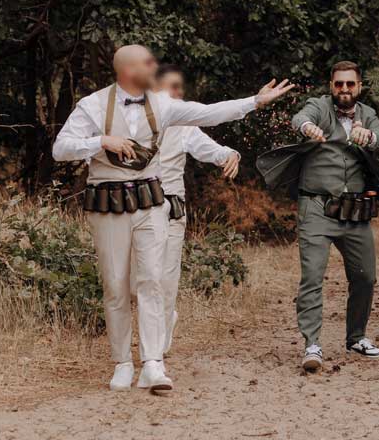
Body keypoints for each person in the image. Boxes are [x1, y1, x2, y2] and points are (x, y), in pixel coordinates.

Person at [52, 45, 293, 392]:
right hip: (108, 204)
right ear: (128, 70)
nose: (155, 66)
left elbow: (208, 113)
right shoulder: (91, 106)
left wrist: (254, 102)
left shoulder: (162, 105)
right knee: (116, 285)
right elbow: (60, 148)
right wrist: (101, 141)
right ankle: (122, 362)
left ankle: (153, 362)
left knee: (153, 280)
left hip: (152, 202)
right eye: (148, 62)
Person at [288, 61, 379, 370]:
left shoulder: (367, 114)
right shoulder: (319, 106)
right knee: (313, 277)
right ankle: (312, 345)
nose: (344, 89)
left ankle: (356, 337)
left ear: (359, 87)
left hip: (354, 211)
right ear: (331, 86)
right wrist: (308, 128)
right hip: (316, 206)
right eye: (338, 84)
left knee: (365, 276)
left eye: (350, 84)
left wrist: (368, 138)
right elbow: (300, 118)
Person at [139, 63, 241, 356]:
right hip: (138, 211)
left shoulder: (184, 126)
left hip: (171, 210)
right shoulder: (133, 122)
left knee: (166, 278)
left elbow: (211, 149)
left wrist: (230, 154)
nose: (177, 95)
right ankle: (160, 324)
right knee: (142, 278)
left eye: (179, 89)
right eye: (170, 88)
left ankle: (154, 352)